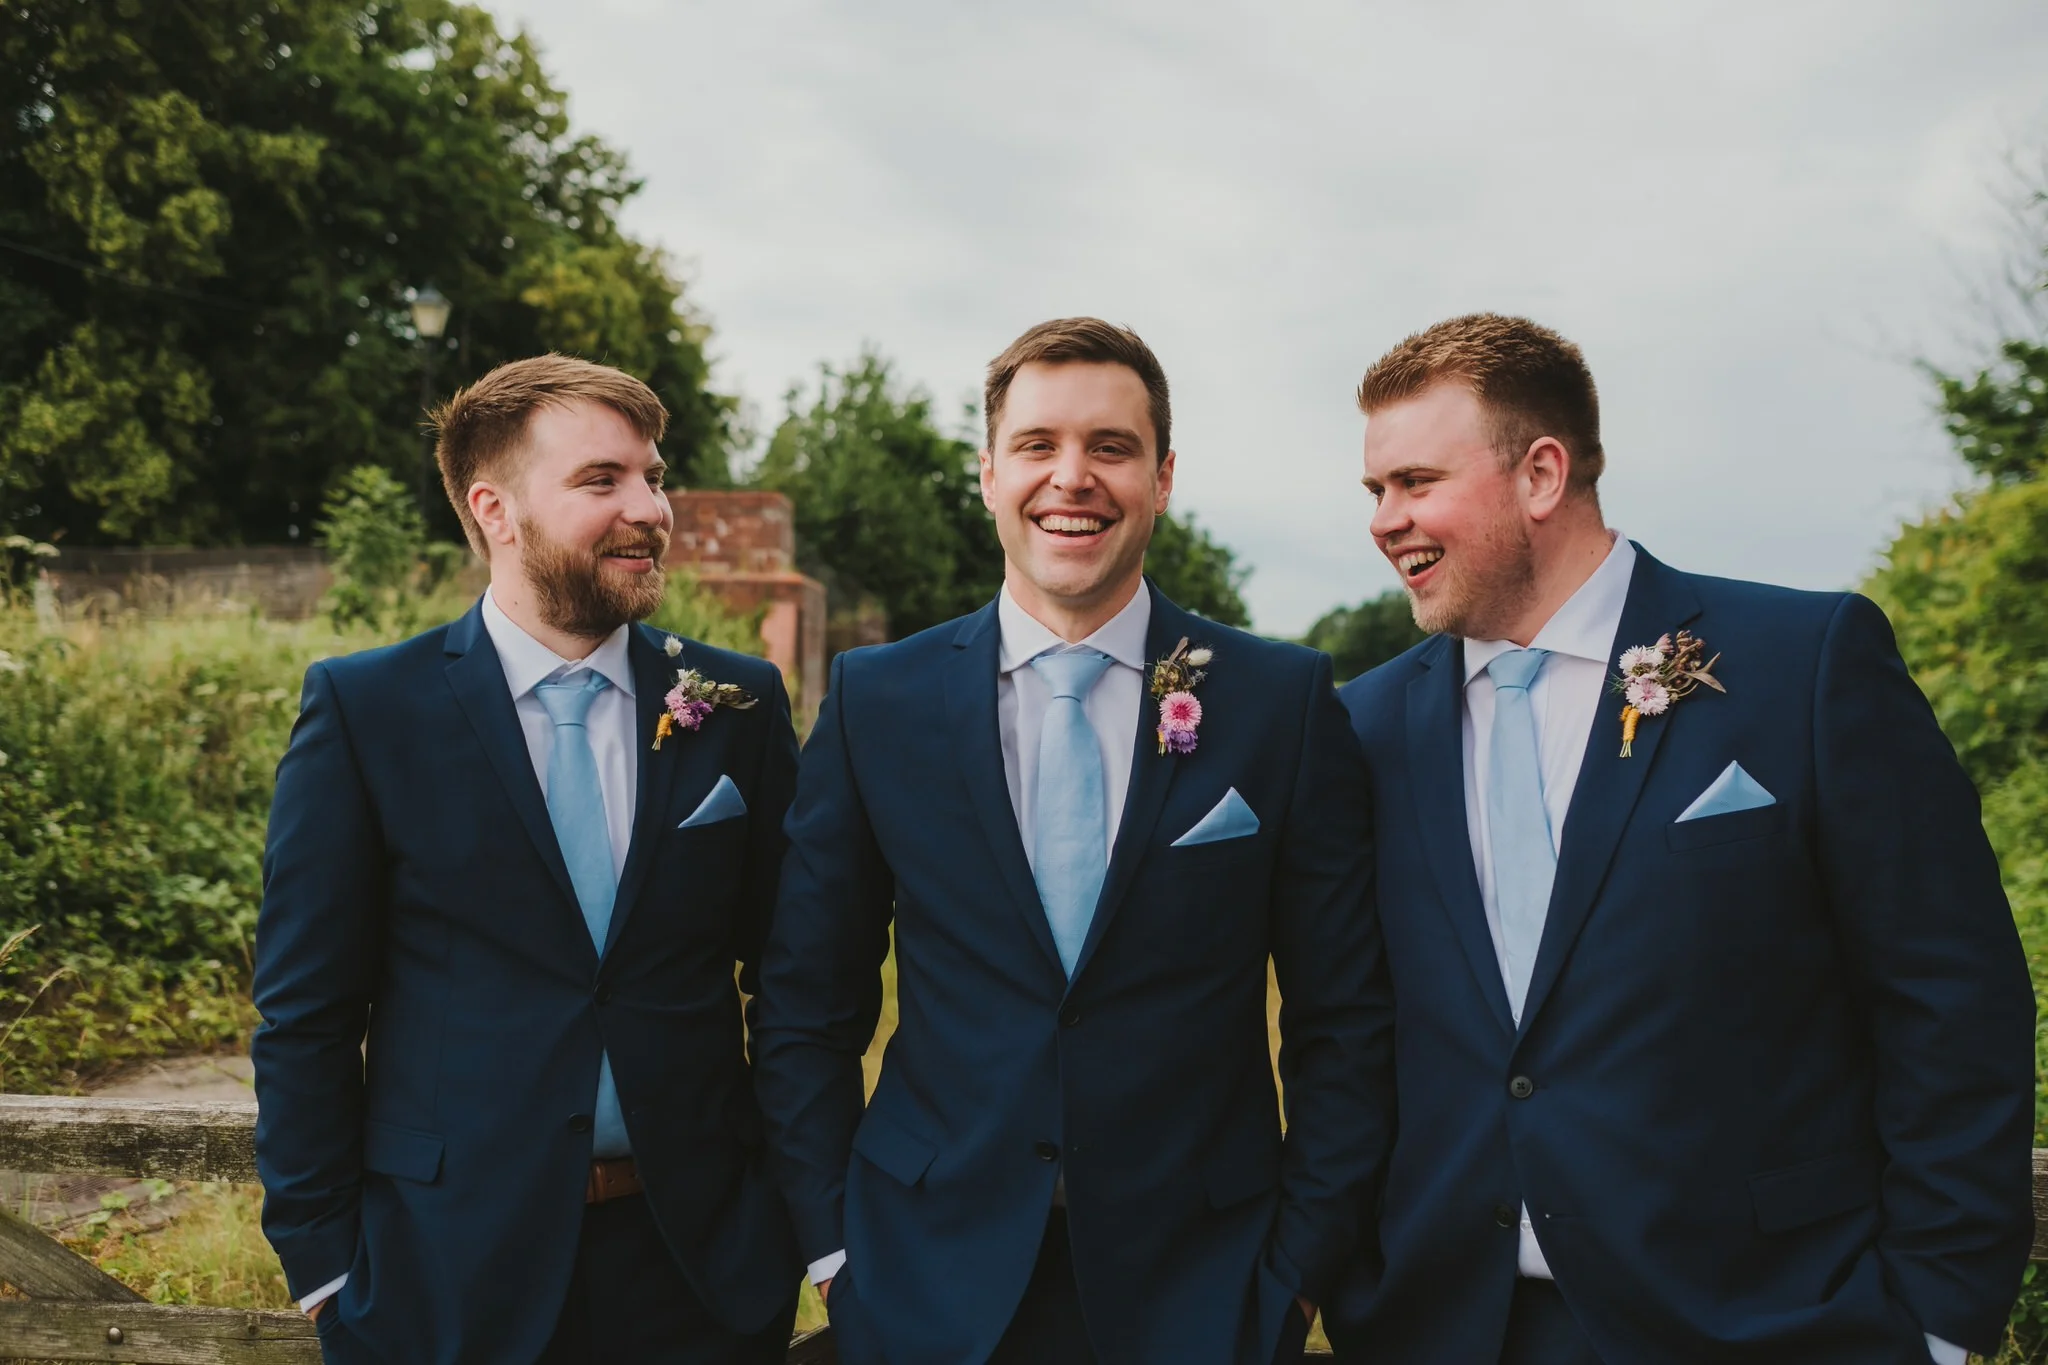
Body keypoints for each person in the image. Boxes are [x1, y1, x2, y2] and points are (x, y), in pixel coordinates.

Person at [1324, 313, 2035, 1364]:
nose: (1386, 521)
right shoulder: (1362, 726)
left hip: (1762, 1322)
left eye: (1415, 482)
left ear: (1540, 474)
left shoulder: (1802, 663)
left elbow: (1950, 997)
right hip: (1446, 1326)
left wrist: (1935, 1318)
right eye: (1374, 490)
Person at [751, 317, 1395, 1365]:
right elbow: (804, 1008)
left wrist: (1293, 1277)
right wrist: (835, 1254)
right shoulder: (878, 702)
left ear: (1162, 477)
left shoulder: (1279, 702)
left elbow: (1343, 1021)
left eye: (1111, 447)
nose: (1072, 477)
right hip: (923, 1277)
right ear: (988, 473)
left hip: (1206, 1282)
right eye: (1038, 445)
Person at [251, 355, 802, 1364]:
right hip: (446, 1273)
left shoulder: (739, 704)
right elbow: (306, 1014)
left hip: (701, 1271)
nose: (649, 509)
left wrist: (784, 1217)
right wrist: (326, 1267)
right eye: (602, 480)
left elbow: (796, 981)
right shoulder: (368, 712)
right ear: (494, 509)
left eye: (654, 477)